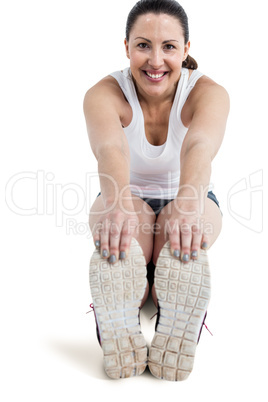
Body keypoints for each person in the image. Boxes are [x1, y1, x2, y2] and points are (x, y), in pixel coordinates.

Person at [83, 0, 229, 381]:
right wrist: (116, 206)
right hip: (123, 193)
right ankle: (134, 303)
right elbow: (110, 150)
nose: (155, 60)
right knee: (129, 237)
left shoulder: (209, 94)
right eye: (143, 45)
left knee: (177, 243)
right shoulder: (103, 94)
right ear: (127, 47)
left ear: (186, 49)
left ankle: (161, 302)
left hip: (190, 193)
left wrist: (189, 202)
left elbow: (200, 146)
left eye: (168, 47)